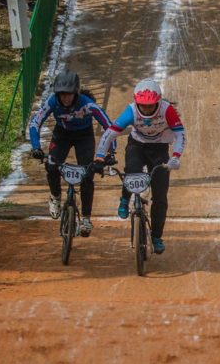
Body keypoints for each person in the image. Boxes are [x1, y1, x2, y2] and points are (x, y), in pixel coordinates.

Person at [92, 78, 185, 255]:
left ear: (158, 102)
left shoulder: (167, 110)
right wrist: (99, 157)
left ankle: (157, 237)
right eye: (143, 105)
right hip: (137, 145)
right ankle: (125, 199)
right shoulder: (131, 111)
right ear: (136, 102)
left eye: (151, 106)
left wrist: (176, 156)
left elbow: (180, 134)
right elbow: (110, 134)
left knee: (160, 196)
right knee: (131, 172)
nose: (147, 109)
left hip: (159, 149)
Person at [28, 70, 112, 236]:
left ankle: (86, 218)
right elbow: (35, 122)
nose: (65, 98)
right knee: (51, 165)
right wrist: (36, 147)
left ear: (76, 93)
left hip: (84, 136)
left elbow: (110, 126)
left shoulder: (87, 104)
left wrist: (110, 152)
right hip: (62, 134)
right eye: (62, 95)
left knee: (87, 174)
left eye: (69, 95)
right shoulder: (53, 102)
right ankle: (55, 196)